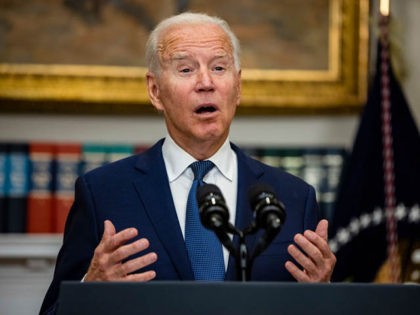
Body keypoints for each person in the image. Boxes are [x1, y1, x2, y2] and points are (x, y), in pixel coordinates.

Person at [40, 12, 336, 315]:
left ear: (238, 86)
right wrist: (91, 289)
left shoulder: (293, 198)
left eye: (219, 67)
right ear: (155, 91)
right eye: (185, 69)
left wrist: (322, 297)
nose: (206, 82)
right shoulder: (103, 193)